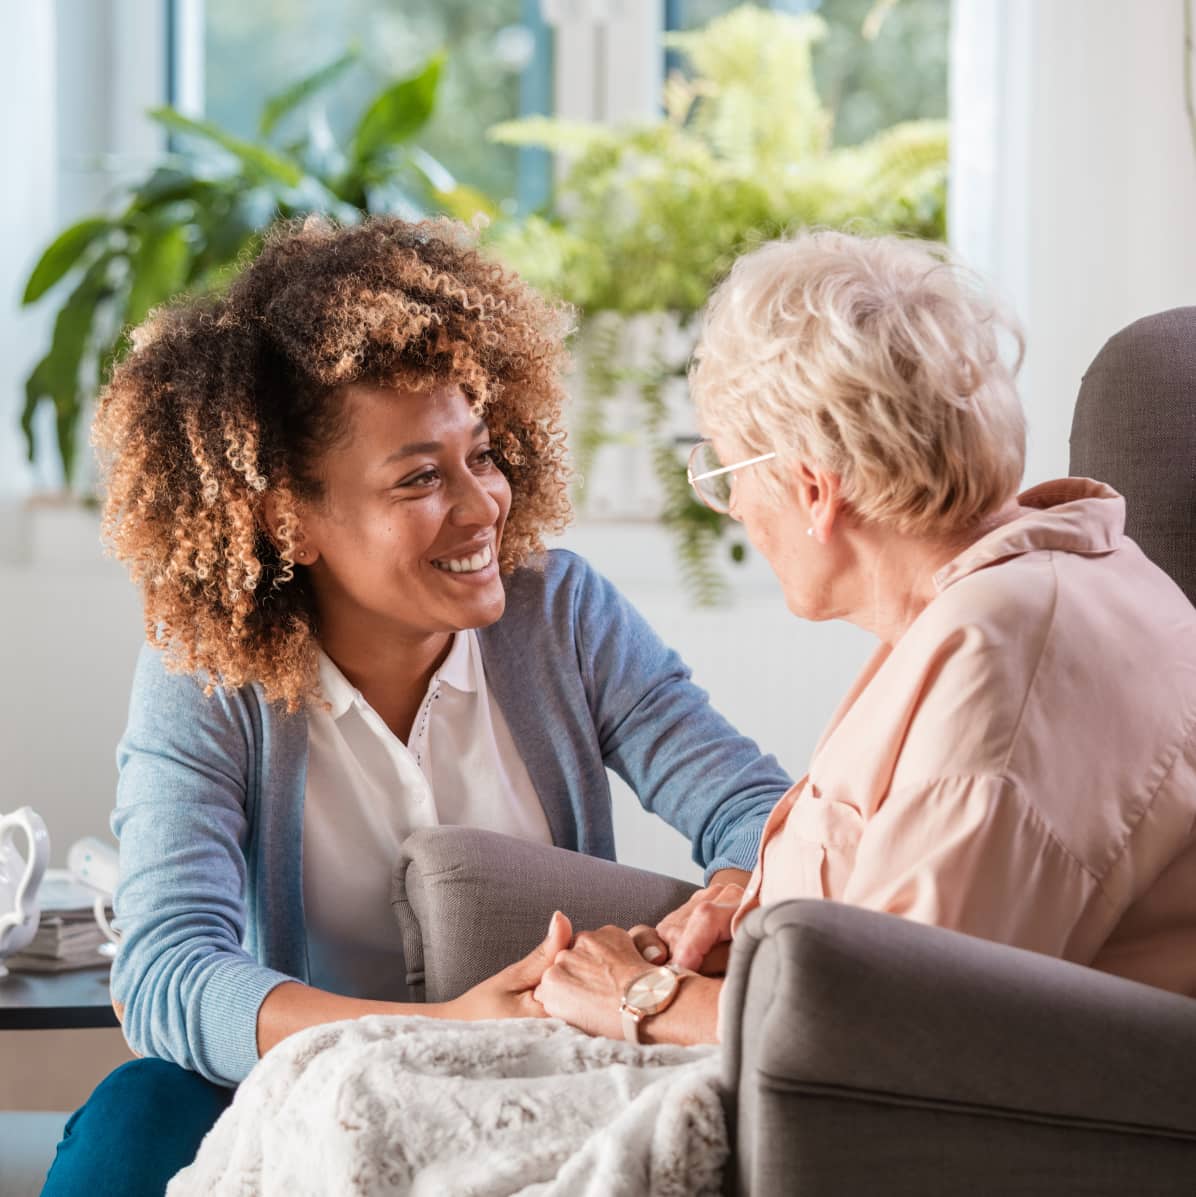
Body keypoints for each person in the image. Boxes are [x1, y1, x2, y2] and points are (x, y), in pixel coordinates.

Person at [41, 216, 792, 1196]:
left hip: (534, 1083)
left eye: (480, 453)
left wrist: (731, 894)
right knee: (140, 1111)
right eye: (420, 478)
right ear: (286, 518)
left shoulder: (559, 615)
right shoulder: (207, 676)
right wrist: (442, 1030)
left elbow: (755, 809)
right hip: (301, 1091)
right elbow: (169, 974)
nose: (484, 506)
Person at [534, 229, 1196, 1046]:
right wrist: (750, 913)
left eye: (728, 474)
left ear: (813, 489)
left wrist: (642, 996)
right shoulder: (1027, 589)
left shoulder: (1001, 658)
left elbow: (894, 1033)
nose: (734, 507)